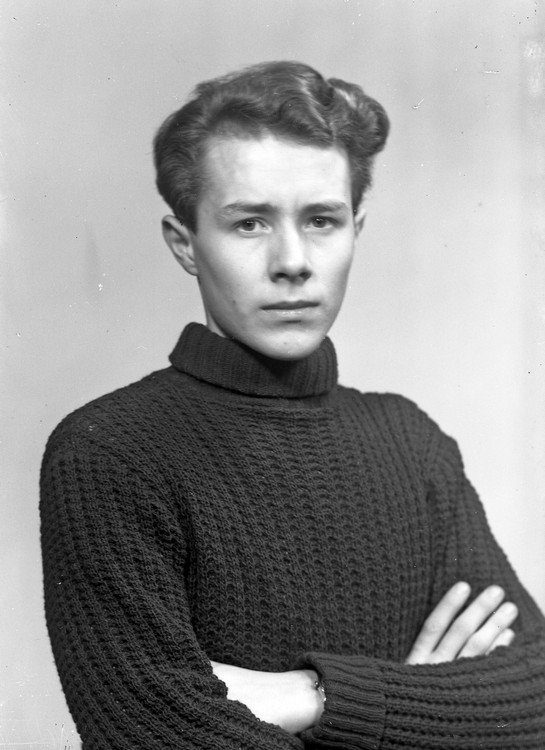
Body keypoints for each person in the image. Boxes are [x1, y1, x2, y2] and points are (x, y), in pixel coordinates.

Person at [40, 61, 545, 749]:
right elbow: (156, 738)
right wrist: (427, 714)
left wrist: (312, 696)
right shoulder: (111, 452)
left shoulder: (409, 441)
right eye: (250, 223)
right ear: (185, 245)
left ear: (355, 229)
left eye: (321, 220)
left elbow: (535, 698)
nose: (293, 261)